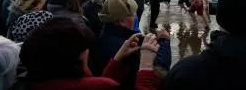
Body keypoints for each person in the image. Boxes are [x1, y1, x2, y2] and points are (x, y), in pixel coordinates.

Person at [19, 17, 162, 90]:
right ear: (79, 59)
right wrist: (146, 65)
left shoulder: (28, 82)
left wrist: (117, 60)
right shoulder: (105, 86)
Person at [92, 0, 171, 89]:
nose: (135, 16)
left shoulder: (101, 37)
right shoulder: (126, 48)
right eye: (133, 14)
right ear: (122, 20)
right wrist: (164, 41)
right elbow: (155, 75)